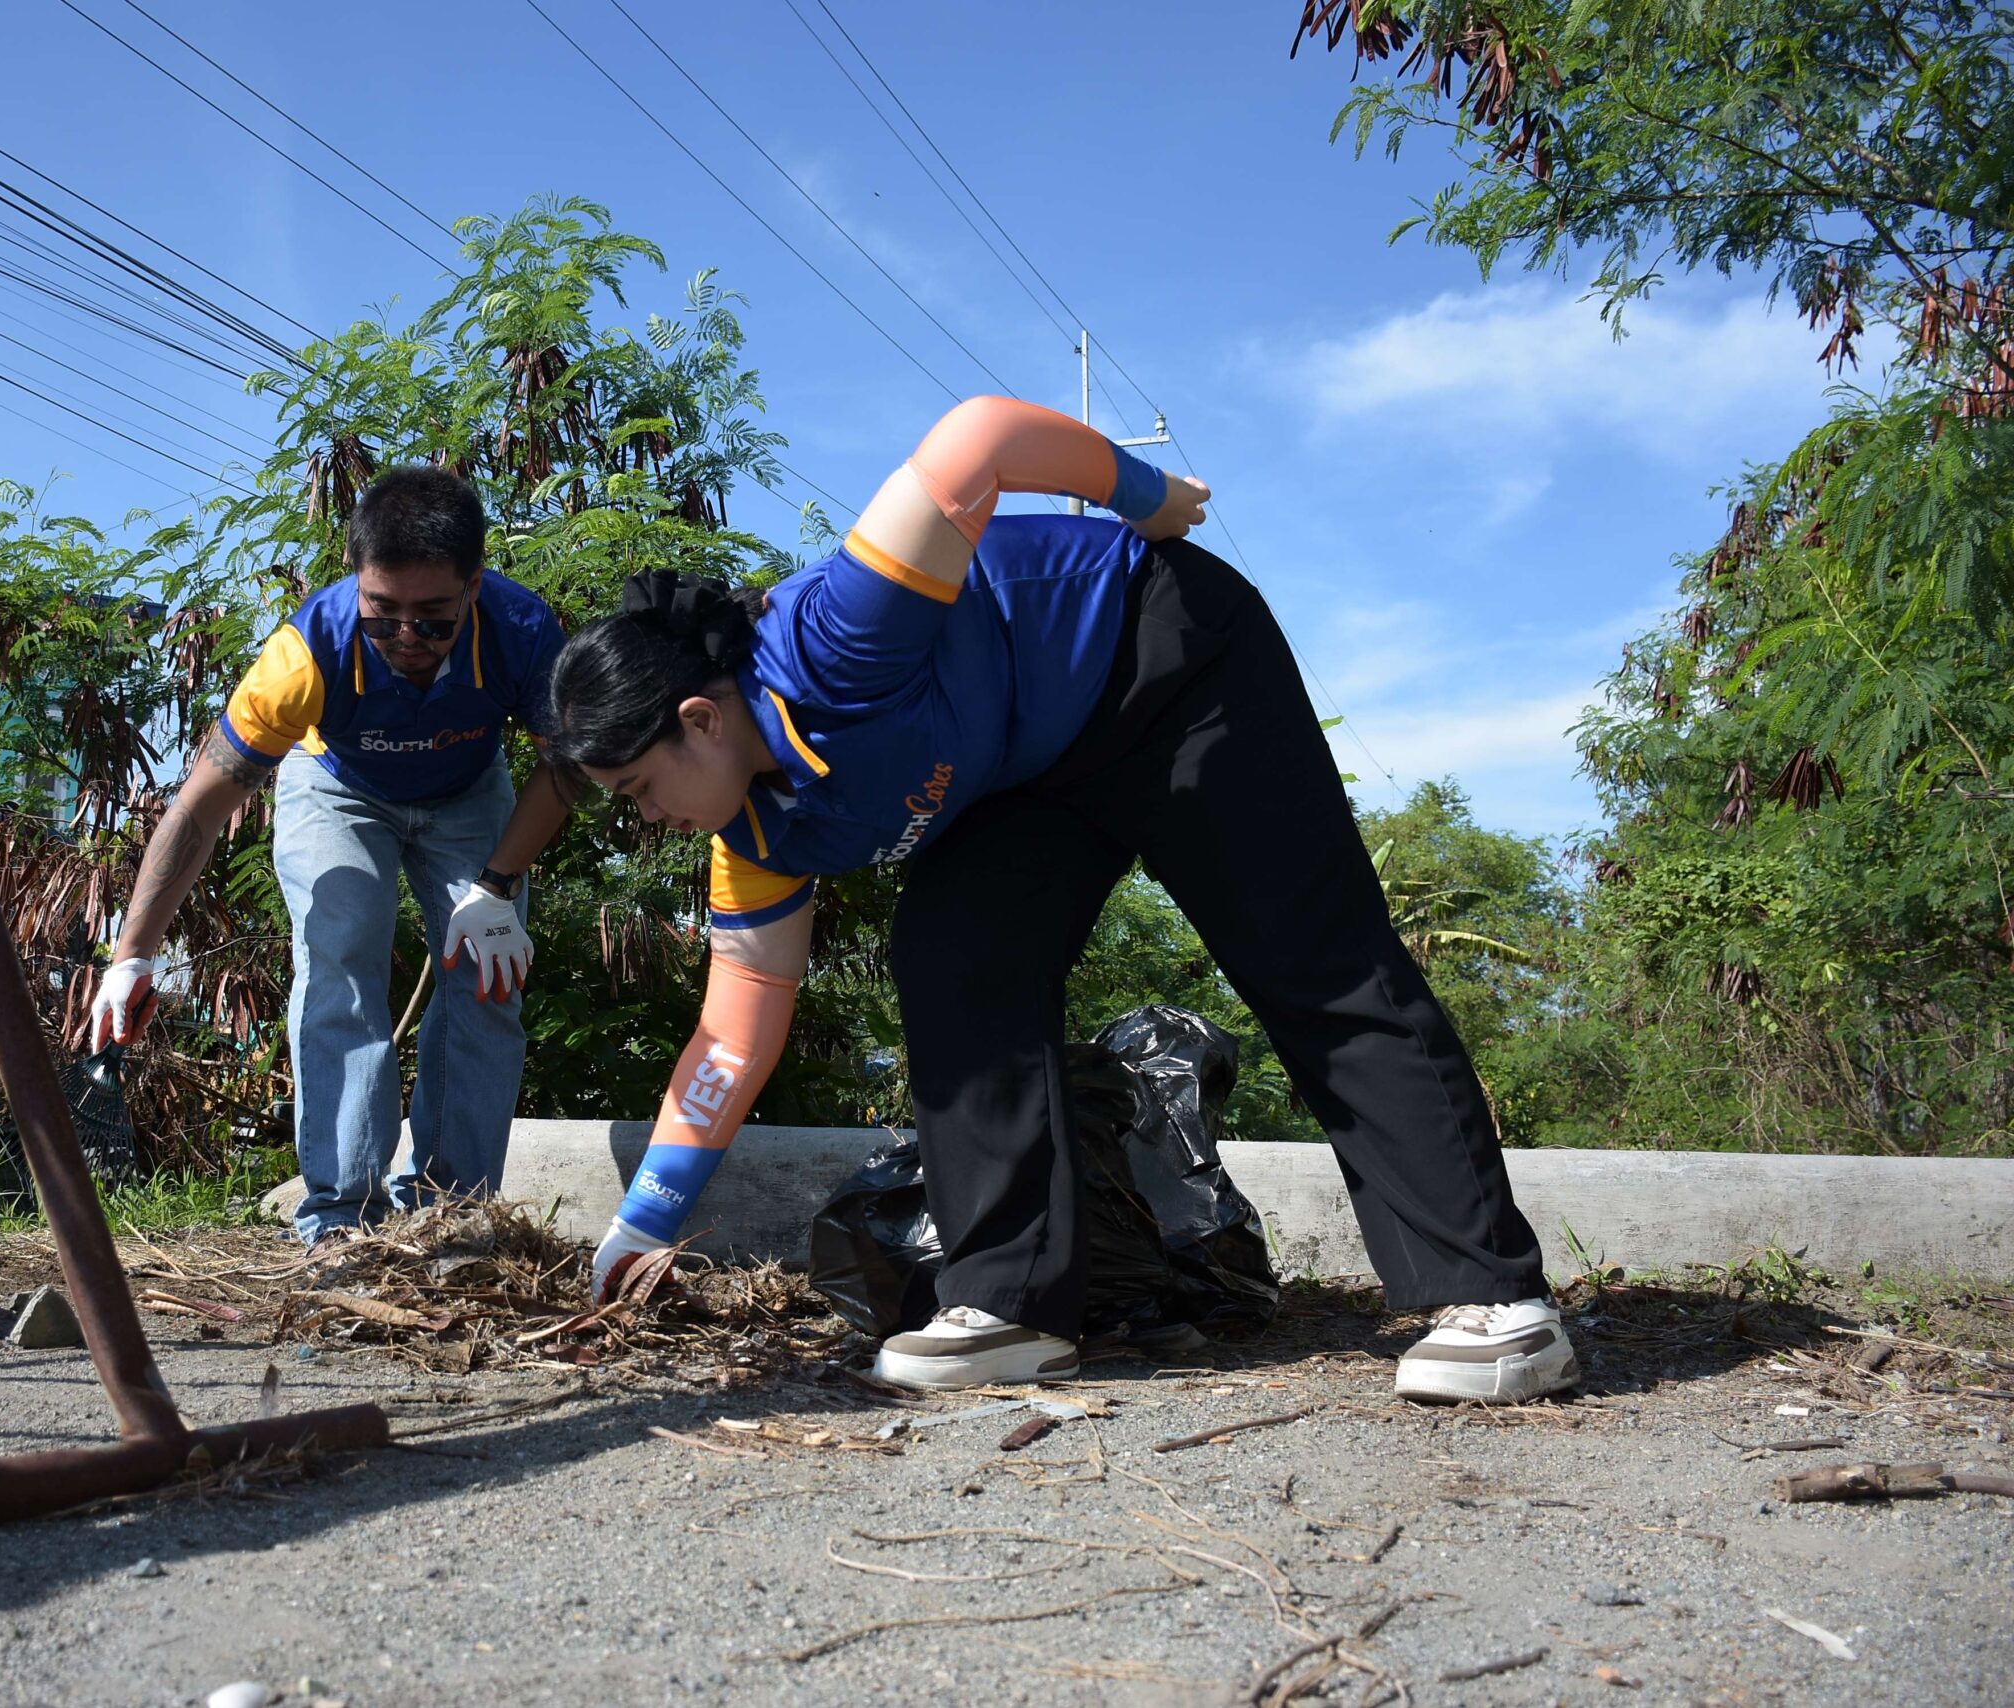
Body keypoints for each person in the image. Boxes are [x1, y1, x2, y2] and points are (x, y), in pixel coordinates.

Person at [544, 396, 1577, 1403]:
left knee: (1306, 953)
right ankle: (1010, 1304)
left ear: (698, 719)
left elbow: (977, 440)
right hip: (1034, 767)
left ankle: (1494, 1299)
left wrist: (1147, 494)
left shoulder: (831, 639)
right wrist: (645, 1221)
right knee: (955, 952)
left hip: (1167, 663)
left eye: (639, 791)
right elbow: (730, 1042)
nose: (648, 824)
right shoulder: (758, 837)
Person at [88, 467, 573, 1244]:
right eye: (383, 613)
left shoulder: (522, 632)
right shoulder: (304, 655)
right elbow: (198, 809)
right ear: (356, 581)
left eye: (433, 618)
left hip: (468, 791)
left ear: (473, 588)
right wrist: (131, 956)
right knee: (342, 951)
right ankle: (340, 1213)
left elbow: (567, 767)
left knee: (490, 973)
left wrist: (494, 887)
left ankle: (452, 1214)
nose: (406, 637)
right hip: (339, 785)